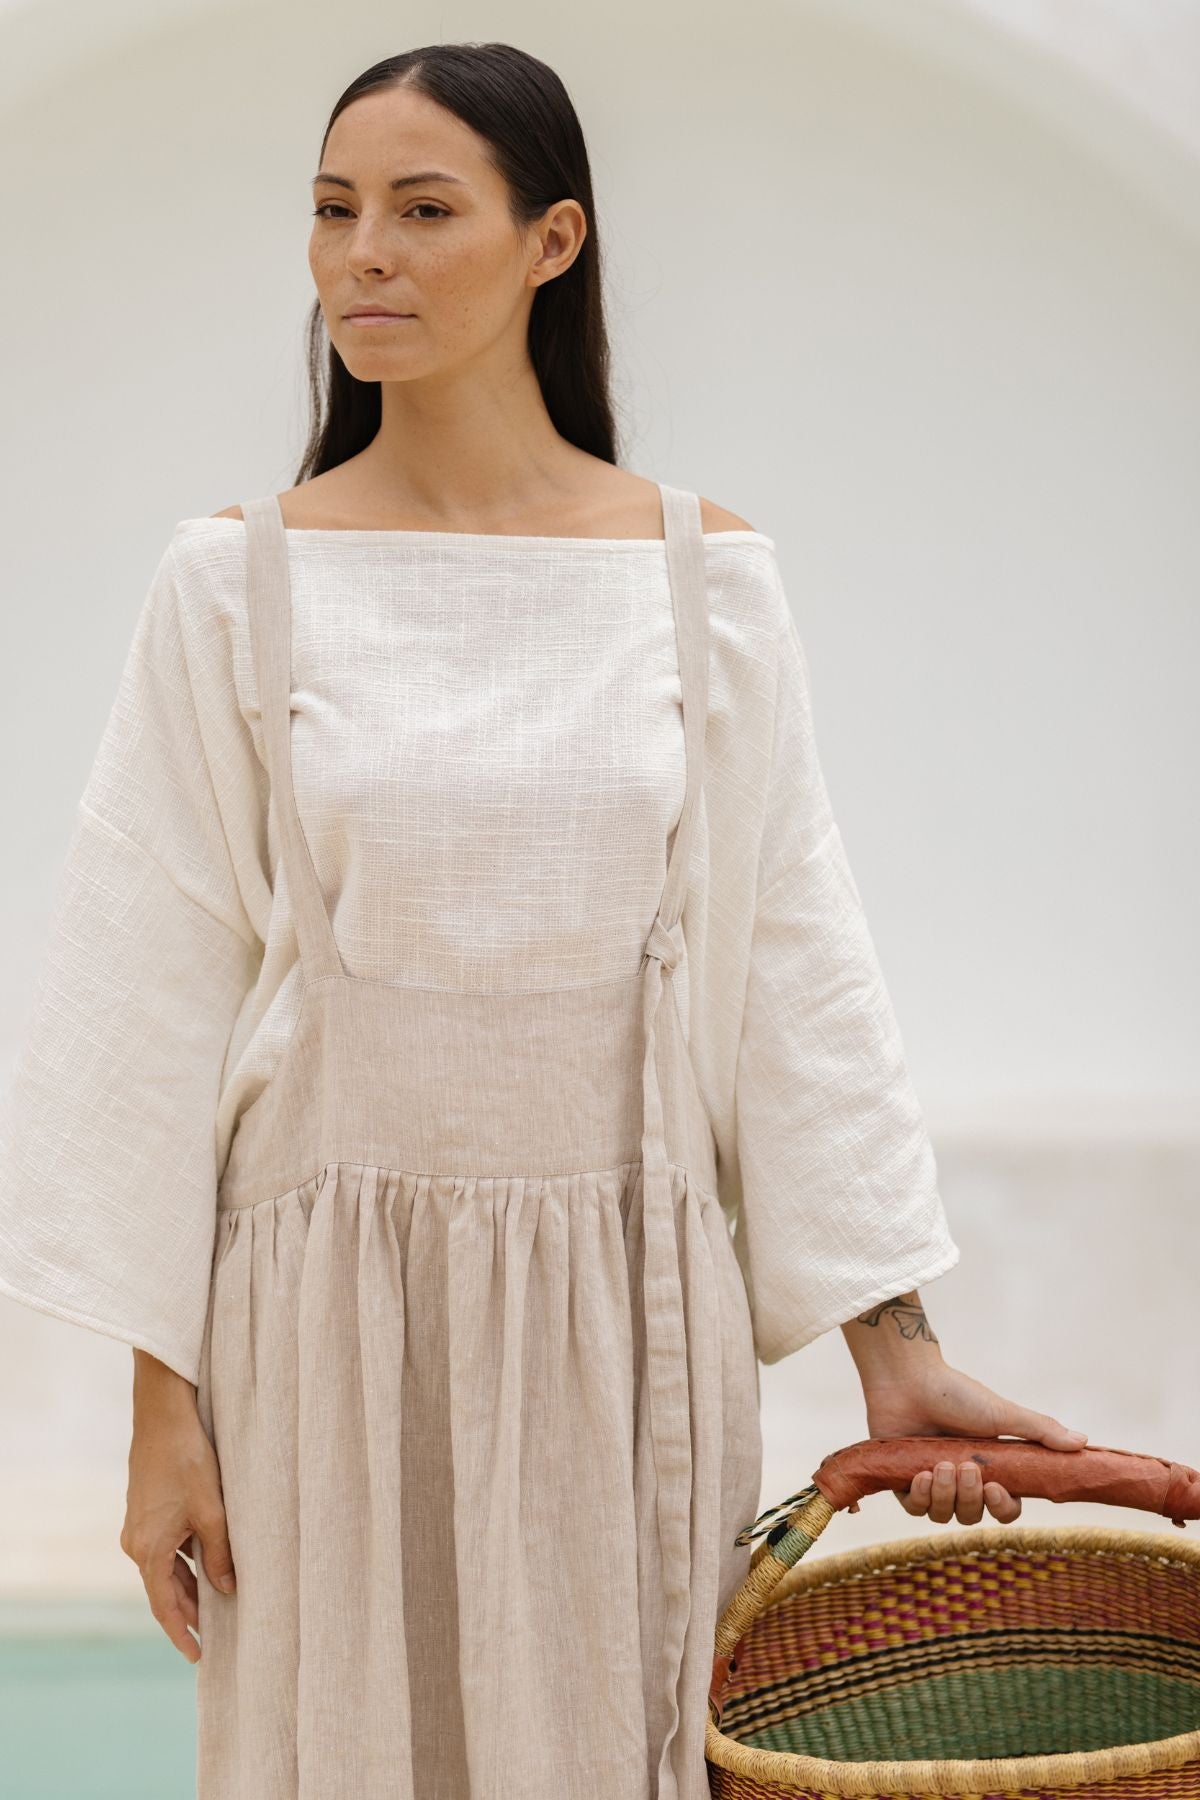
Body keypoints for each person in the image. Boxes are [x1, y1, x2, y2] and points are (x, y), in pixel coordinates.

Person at [0, 39, 1089, 1800]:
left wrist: (903, 1357)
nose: (364, 254)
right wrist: (159, 1411)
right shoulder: (233, 580)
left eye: (425, 211)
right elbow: (153, 999)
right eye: (334, 212)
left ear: (551, 241)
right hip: (316, 1323)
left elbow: (789, 972)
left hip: (621, 1311)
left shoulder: (700, 580)